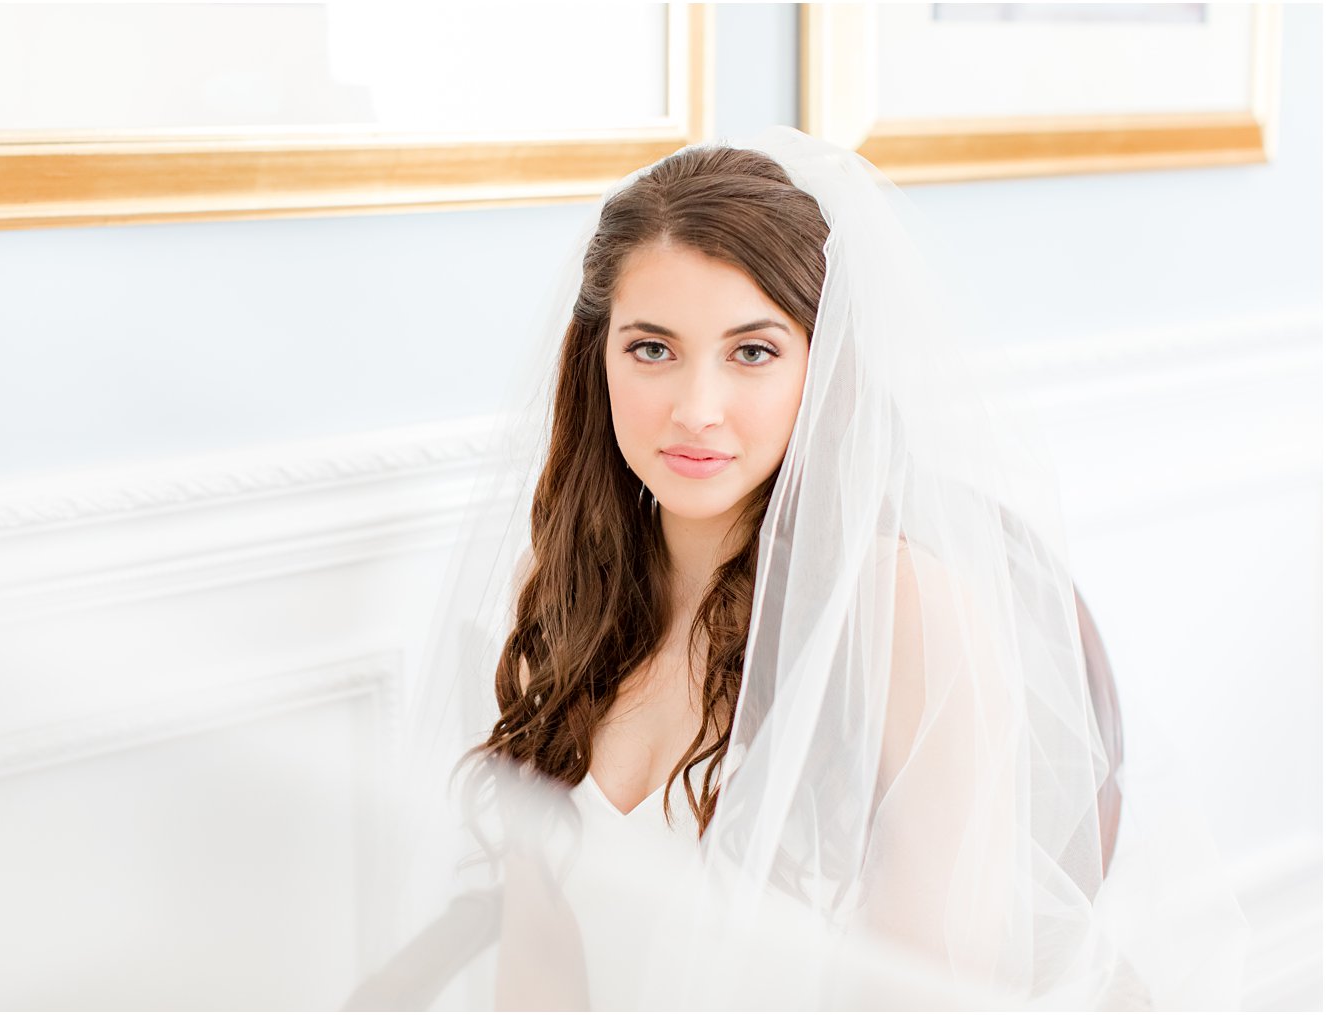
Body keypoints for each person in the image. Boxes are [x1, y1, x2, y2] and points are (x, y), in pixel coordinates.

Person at [345, 126, 1249, 1011]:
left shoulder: (902, 612)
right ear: (599, 359)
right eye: (652, 348)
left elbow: (926, 992)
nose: (697, 409)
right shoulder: (560, 593)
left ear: (822, 370)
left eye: (753, 351)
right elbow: (539, 966)